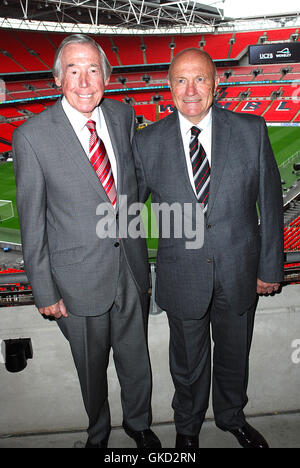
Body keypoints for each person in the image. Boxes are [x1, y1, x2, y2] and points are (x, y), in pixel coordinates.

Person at [13, 34, 161, 449]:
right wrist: (44, 290)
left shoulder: (121, 115)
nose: (84, 81)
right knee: (91, 370)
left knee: (136, 361)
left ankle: (138, 424)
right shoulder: (31, 135)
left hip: (130, 270)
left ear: (106, 77)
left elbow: (131, 187)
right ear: (58, 79)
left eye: (93, 69)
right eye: (73, 71)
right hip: (75, 283)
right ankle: (98, 435)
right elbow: (32, 222)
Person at [133, 48, 284, 449]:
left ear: (216, 84)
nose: (191, 89)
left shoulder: (252, 130)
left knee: (235, 357)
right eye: (181, 80)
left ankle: (232, 418)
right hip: (182, 276)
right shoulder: (147, 143)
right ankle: (188, 429)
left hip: (240, 271)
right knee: (186, 366)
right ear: (169, 88)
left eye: (200, 78)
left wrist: (270, 267)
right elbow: (125, 212)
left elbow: (269, 204)